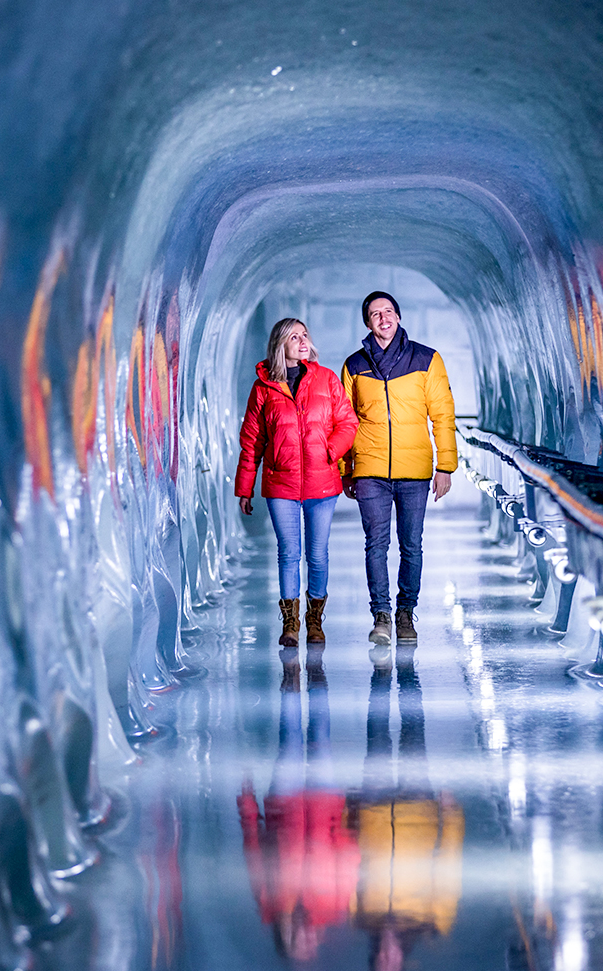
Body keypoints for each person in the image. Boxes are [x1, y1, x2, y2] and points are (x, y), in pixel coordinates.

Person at [341, 291, 457, 644]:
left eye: (388, 311)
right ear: (367, 323)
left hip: (414, 470)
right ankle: (381, 615)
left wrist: (446, 465)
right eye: (375, 314)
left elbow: (442, 414)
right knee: (375, 544)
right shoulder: (354, 366)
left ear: (399, 316)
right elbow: (344, 420)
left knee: (411, 544)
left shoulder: (427, 359)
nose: (383, 318)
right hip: (371, 468)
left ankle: (406, 612)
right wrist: (346, 468)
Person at [236, 318, 359, 647]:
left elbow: (348, 422)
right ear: (280, 344)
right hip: (281, 484)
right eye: (294, 336)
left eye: (305, 334)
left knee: (317, 554)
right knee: (288, 553)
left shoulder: (326, 380)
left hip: (322, 482)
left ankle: (314, 620)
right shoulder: (264, 387)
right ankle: (290, 623)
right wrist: (244, 488)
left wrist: (330, 451)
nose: (303, 340)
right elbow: (252, 440)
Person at [237, 648, 358, 962]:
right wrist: (343, 825)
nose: (305, 936)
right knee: (319, 738)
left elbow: (254, 849)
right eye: (308, 944)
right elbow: (349, 858)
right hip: (325, 805)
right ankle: (317, 680)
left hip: (284, 804)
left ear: (283, 938)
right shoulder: (334, 908)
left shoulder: (269, 902)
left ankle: (292, 682)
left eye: (296, 942)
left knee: (290, 739)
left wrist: (247, 805)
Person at [351, 645, 464, 971]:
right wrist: (453, 818)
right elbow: (448, 871)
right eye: (392, 966)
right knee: (414, 734)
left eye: (379, 964)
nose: (385, 958)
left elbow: (348, 867)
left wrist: (350, 813)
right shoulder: (432, 920)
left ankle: (384, 672)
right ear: (403, 962)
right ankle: (408, 672)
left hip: (373, 810)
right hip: (419, 813)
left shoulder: (360, 918)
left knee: (376, 732)